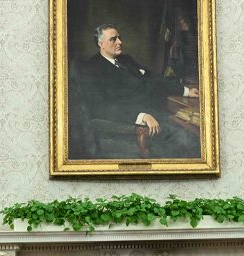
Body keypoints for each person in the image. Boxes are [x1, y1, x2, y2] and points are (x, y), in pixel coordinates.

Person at [78, 23, 201, 159]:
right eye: (113, 39)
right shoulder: (91, 69)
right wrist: (141, 116)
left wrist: (185, 91)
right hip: (132, 125)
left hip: (157, 114)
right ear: (101, 44)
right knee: (189, 139)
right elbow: (101, 107)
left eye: (119, 37)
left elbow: (154, 79)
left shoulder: (126, 60)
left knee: (193, 130)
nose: (120, 42)